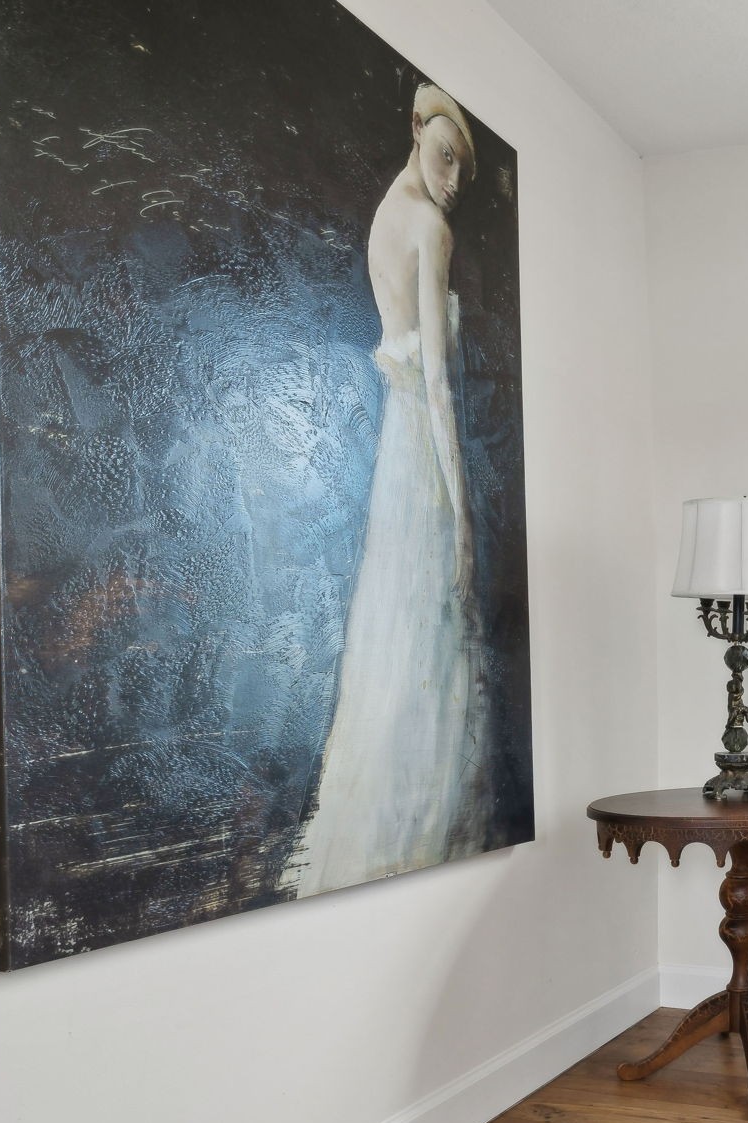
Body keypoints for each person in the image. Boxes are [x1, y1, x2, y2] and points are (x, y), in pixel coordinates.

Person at [288, 83, 488, 896]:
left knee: (394, 636)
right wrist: (465, 515)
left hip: (391, 455)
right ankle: (420, 837)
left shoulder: (383, 216)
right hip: (423, 455)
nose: (450, 180)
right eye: (444, 157)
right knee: (428, 630)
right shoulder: (430, 229)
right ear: (416, 131)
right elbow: (436, 381)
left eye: (463, 174)